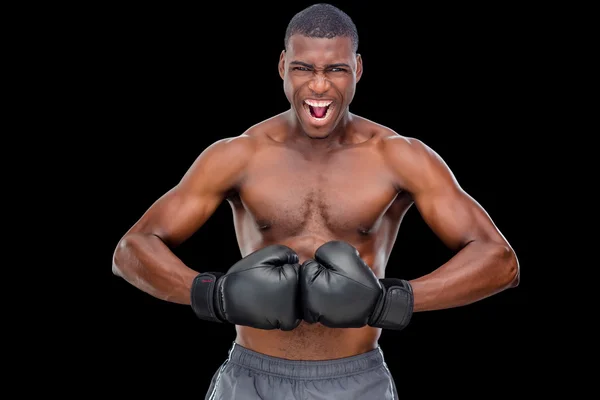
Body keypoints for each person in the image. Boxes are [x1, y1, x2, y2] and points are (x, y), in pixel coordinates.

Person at [112, 3, 520, 399]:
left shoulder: (399, 156)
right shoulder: (239, 154)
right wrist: (214, 295)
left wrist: (389, 301)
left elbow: (499, 261)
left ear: (357, 70)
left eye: (336, 69)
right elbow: (131, 249)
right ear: (282, 68)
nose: (320, 85)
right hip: (249, 378)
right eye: (303, 68)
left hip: (357, 381)